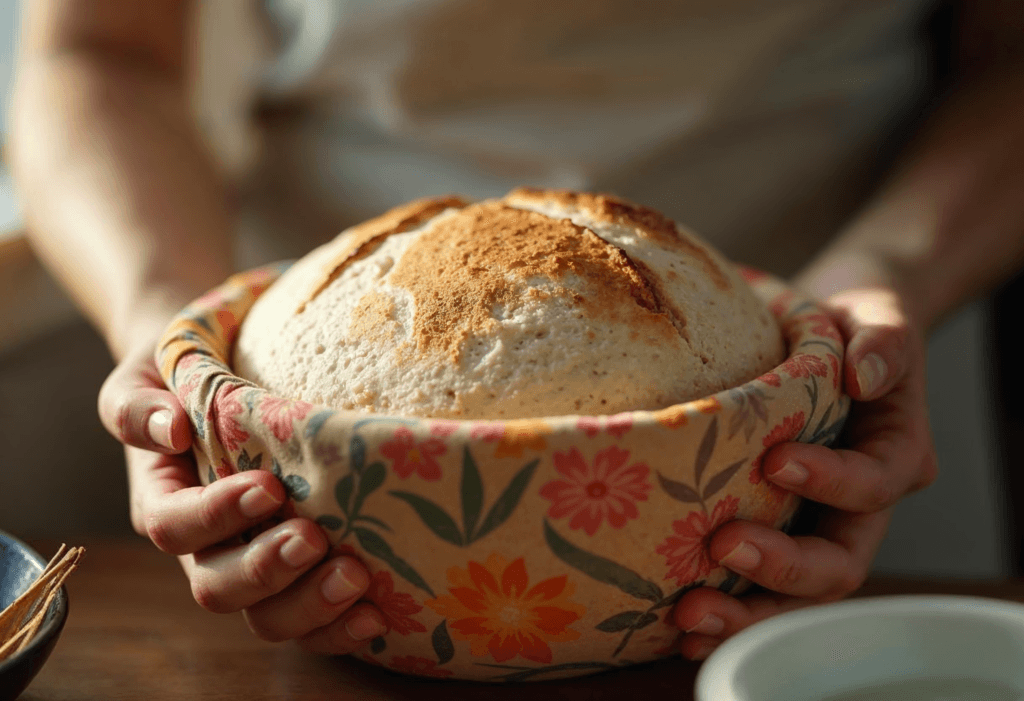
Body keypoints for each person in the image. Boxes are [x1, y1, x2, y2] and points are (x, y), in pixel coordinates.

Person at [10, 0, 1024, 663]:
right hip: (334, 332)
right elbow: (98, 51)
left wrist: (883, 277)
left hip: (824, 405)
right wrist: (171, 327)